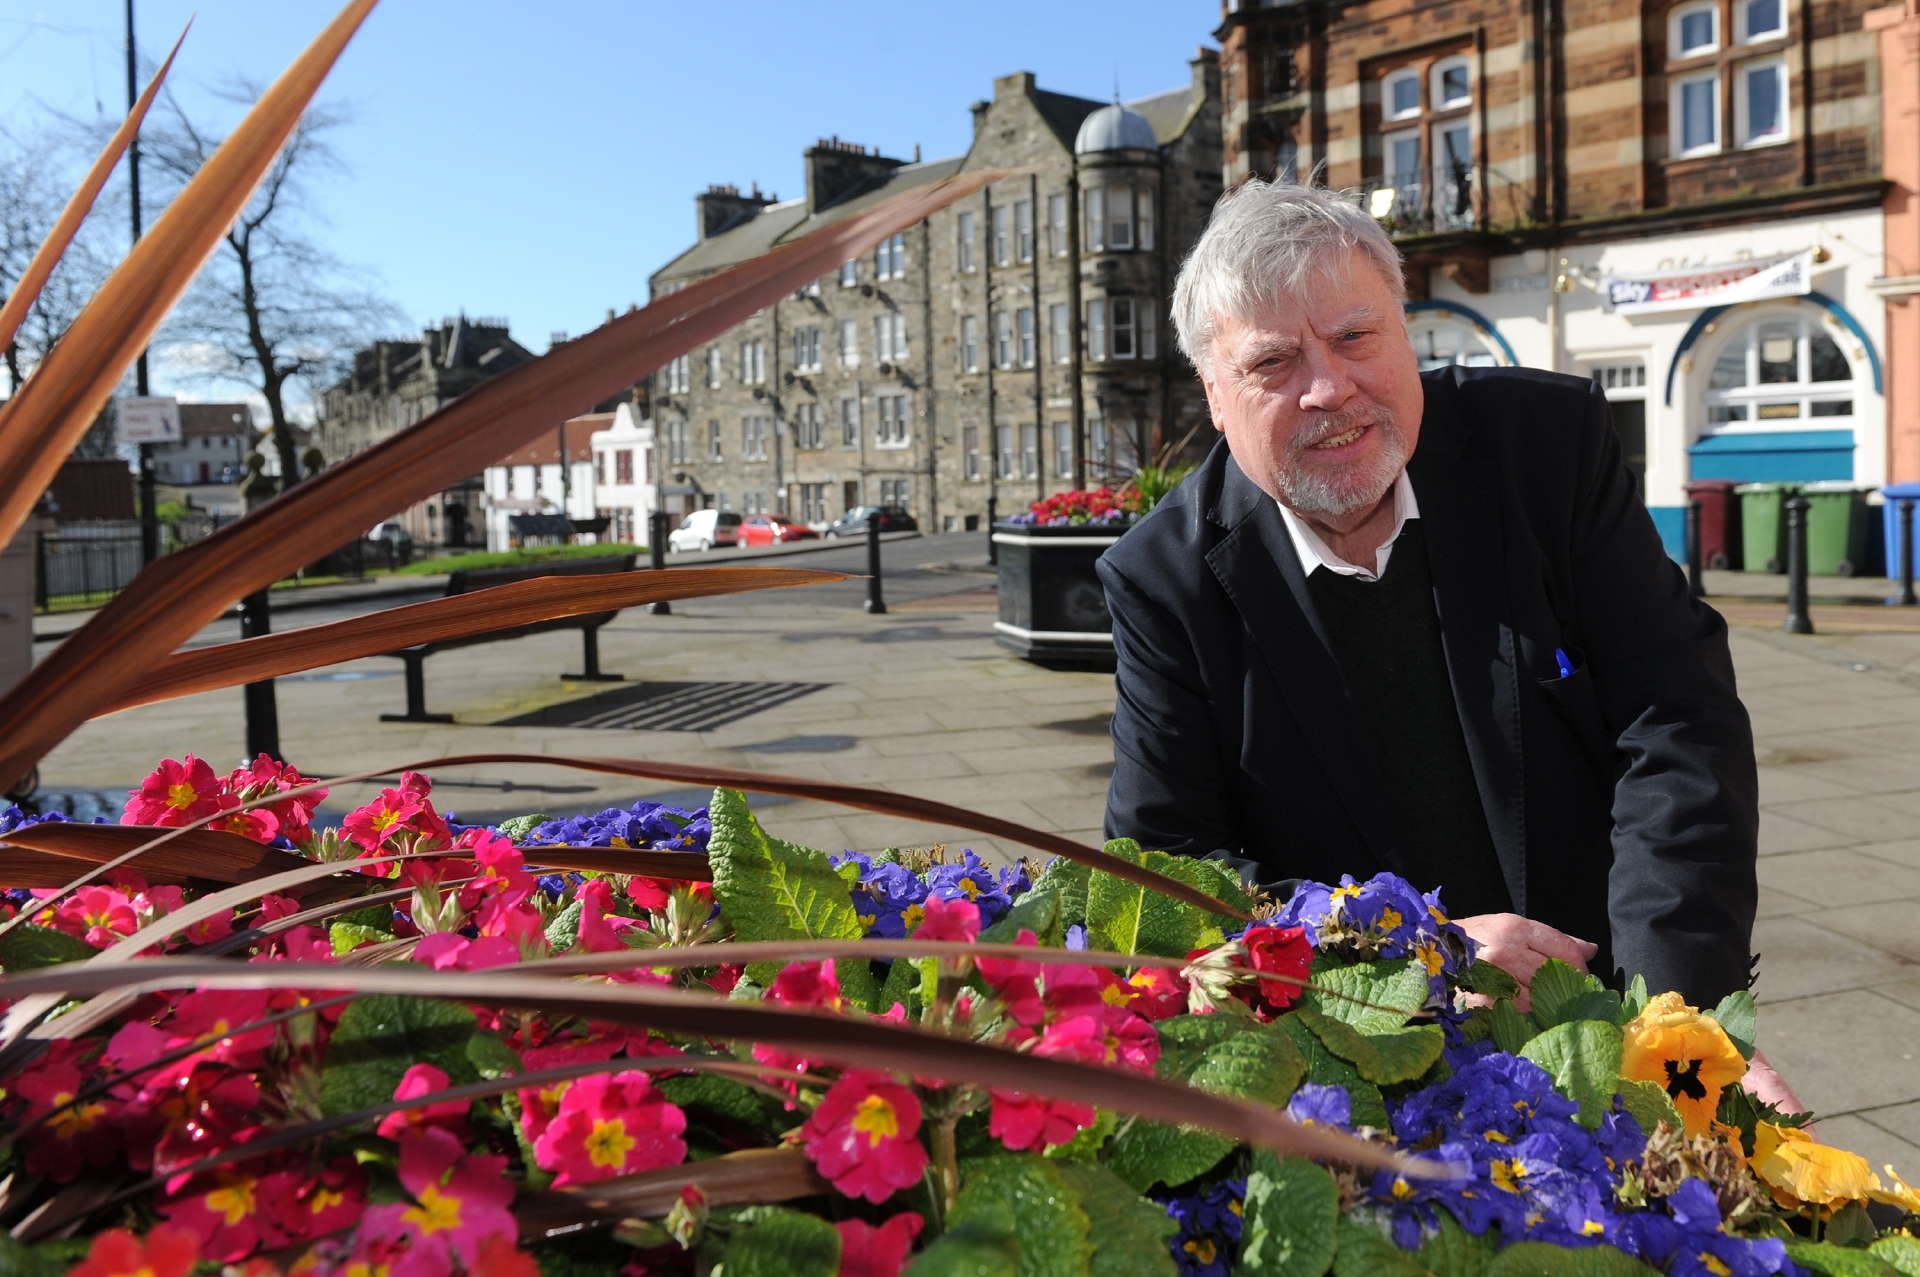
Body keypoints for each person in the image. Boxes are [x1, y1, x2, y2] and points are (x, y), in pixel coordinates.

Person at [1099, 179, 1803, 1110]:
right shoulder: (1164, 580)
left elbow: (1675, 719)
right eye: (1273, 362)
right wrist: (1413, 951)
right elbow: (1168, 874)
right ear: (1216, 397)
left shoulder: (1549, 448)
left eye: (1356, 336)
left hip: (1613, 996)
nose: (1329, 387)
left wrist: (1680, 1021)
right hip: (1356, 1061)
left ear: (1406, 330)